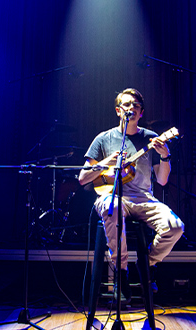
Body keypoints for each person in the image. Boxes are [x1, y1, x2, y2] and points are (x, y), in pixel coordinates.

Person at [75, 88, 185, 292]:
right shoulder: (103, 139)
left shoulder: (150, 138)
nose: (131, 108)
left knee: (175, 226)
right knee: (113, 207)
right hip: (111, 195)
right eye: (127, 105)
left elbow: (161, 181)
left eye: (136, 106)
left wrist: (165, 156)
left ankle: (147, 264)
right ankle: (121, 270)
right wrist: (106, 162)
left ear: (141, 113)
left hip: (144, 198)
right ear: (118, 110)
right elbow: (83, 178)